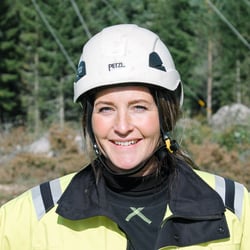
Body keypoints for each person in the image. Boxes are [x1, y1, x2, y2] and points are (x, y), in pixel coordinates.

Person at [0, 24, 249, 250]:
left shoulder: (236, 210)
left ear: (166, 114)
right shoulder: (33, 216)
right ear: (89, 119)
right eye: (106, 109)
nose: (122, 126)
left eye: (138, 107)